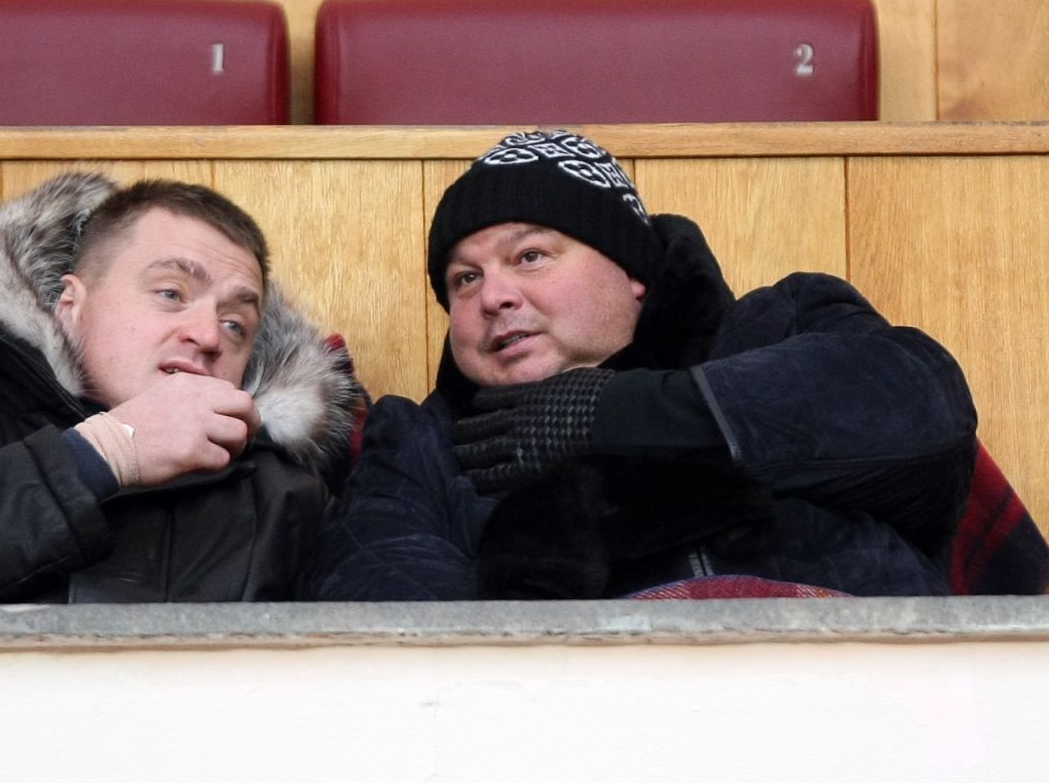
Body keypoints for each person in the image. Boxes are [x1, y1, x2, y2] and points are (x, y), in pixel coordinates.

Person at [306, 128, 1045, 601]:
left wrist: (617, 415)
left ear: (633, 272)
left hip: (871, 720)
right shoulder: (423, 443)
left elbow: (921, 406)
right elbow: (389, 620)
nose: (493, 296)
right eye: (464, 279)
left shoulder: (780, 325)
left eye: (530, 256)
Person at [0, 173, 361, 605]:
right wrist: (103, 455)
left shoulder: (285, 493)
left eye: (236, 325)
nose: (208, 335)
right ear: (70, 305)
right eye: (170, 293)